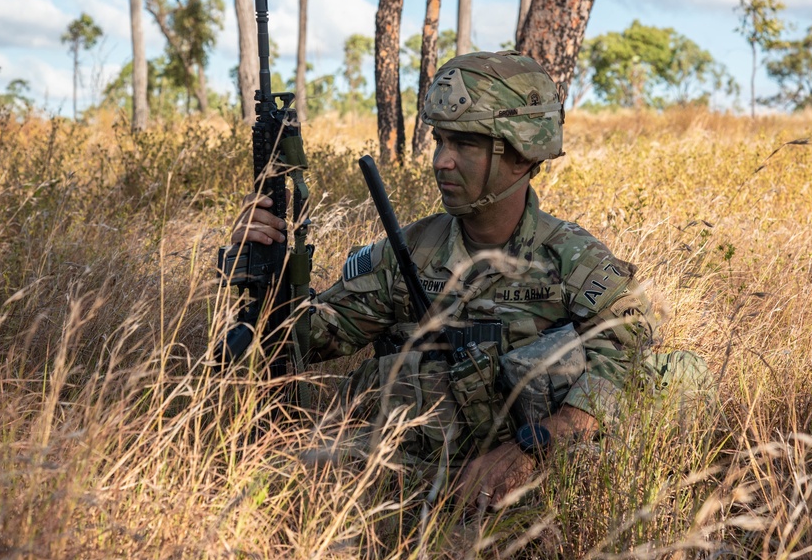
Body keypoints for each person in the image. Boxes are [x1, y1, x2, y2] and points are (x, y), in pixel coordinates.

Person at [231, 51, 712, 510]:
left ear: (522, 156)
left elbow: (623, 363)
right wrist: (258, 272)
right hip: (414, 470)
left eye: (464, 144)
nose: (441, 160)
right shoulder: (408, 253)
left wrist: (530, 452)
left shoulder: (573, 261)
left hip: (538, 475)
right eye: (440, 140)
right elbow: (298, 342)